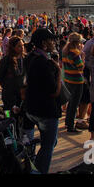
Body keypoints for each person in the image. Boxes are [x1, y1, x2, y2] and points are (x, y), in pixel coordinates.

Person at [24, 28, 61, 174]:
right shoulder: (44, 63)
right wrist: (58, 72)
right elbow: (54, 91)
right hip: (46, 110)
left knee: (51, 142)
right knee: (48, 146)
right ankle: (39, 171)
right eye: (51, 40)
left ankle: (35, 168)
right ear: (44, 43)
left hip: (32, 108)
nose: (54, 42)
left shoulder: (30, 57)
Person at [62, 32, 85, 134]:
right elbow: (80, 66)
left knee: (70, 102)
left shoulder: (65, 51)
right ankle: (70, 126)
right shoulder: (75, 53)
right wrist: (83, 57)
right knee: (74, 103)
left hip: (68, 78)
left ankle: (68, 121)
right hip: (76, 80)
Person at [0, 36, 26, 112]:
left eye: (23, 45)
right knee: (8, 113)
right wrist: (7, 86)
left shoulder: (26, 58)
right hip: (9, 94)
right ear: (13, 47)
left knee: (20, 115)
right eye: (19, 46)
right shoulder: (6, 60)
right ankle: (7, 122)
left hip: (22, 94)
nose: (22, 48)